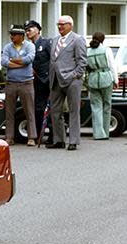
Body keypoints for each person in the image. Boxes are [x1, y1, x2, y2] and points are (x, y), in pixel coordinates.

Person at [47, 15, 87, 150]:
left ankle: (73, 141)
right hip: (56, 80)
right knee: (55, 111)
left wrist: (75, 75)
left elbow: (82, 61)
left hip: (72, 81)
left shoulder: (77, 39)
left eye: (63, 24)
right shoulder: (55, 40)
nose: (60, 27)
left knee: (73, 111)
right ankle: (59, 140)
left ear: (70, 25)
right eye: (58, 24)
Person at [1, 24, 37, 146]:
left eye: (14, 34)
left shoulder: (30, 46)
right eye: (11, 34)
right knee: (9, 111)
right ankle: (9, 137)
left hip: (26, 82)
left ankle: (32, 137)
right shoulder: (7, 47)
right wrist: (20, 62)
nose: (11, 37)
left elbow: (29, 59)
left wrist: (13, 60)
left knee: (29, 110)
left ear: (21, 36)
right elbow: (4, 62)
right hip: (11, 83)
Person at [87, 32, 118, 140]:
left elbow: (86, 68)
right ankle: (106, 132)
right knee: (107, 105)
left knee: (96, 107)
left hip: (93, 79)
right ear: (103, 40)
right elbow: (112, 65)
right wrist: (115, 80)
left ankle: (98, 134)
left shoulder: (88, 51)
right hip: (106, 78)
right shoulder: (106, 49)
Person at [25, 20, 52, 144]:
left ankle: (53, 134)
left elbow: (53, 61)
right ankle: (37, 134)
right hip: (34, 83)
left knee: (49, 108)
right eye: (26, 30)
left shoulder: (46, 43)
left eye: (30, 29)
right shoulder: (28, 46)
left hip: (46, 81)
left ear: (37, 30)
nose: (27, 32)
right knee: (37, 108)